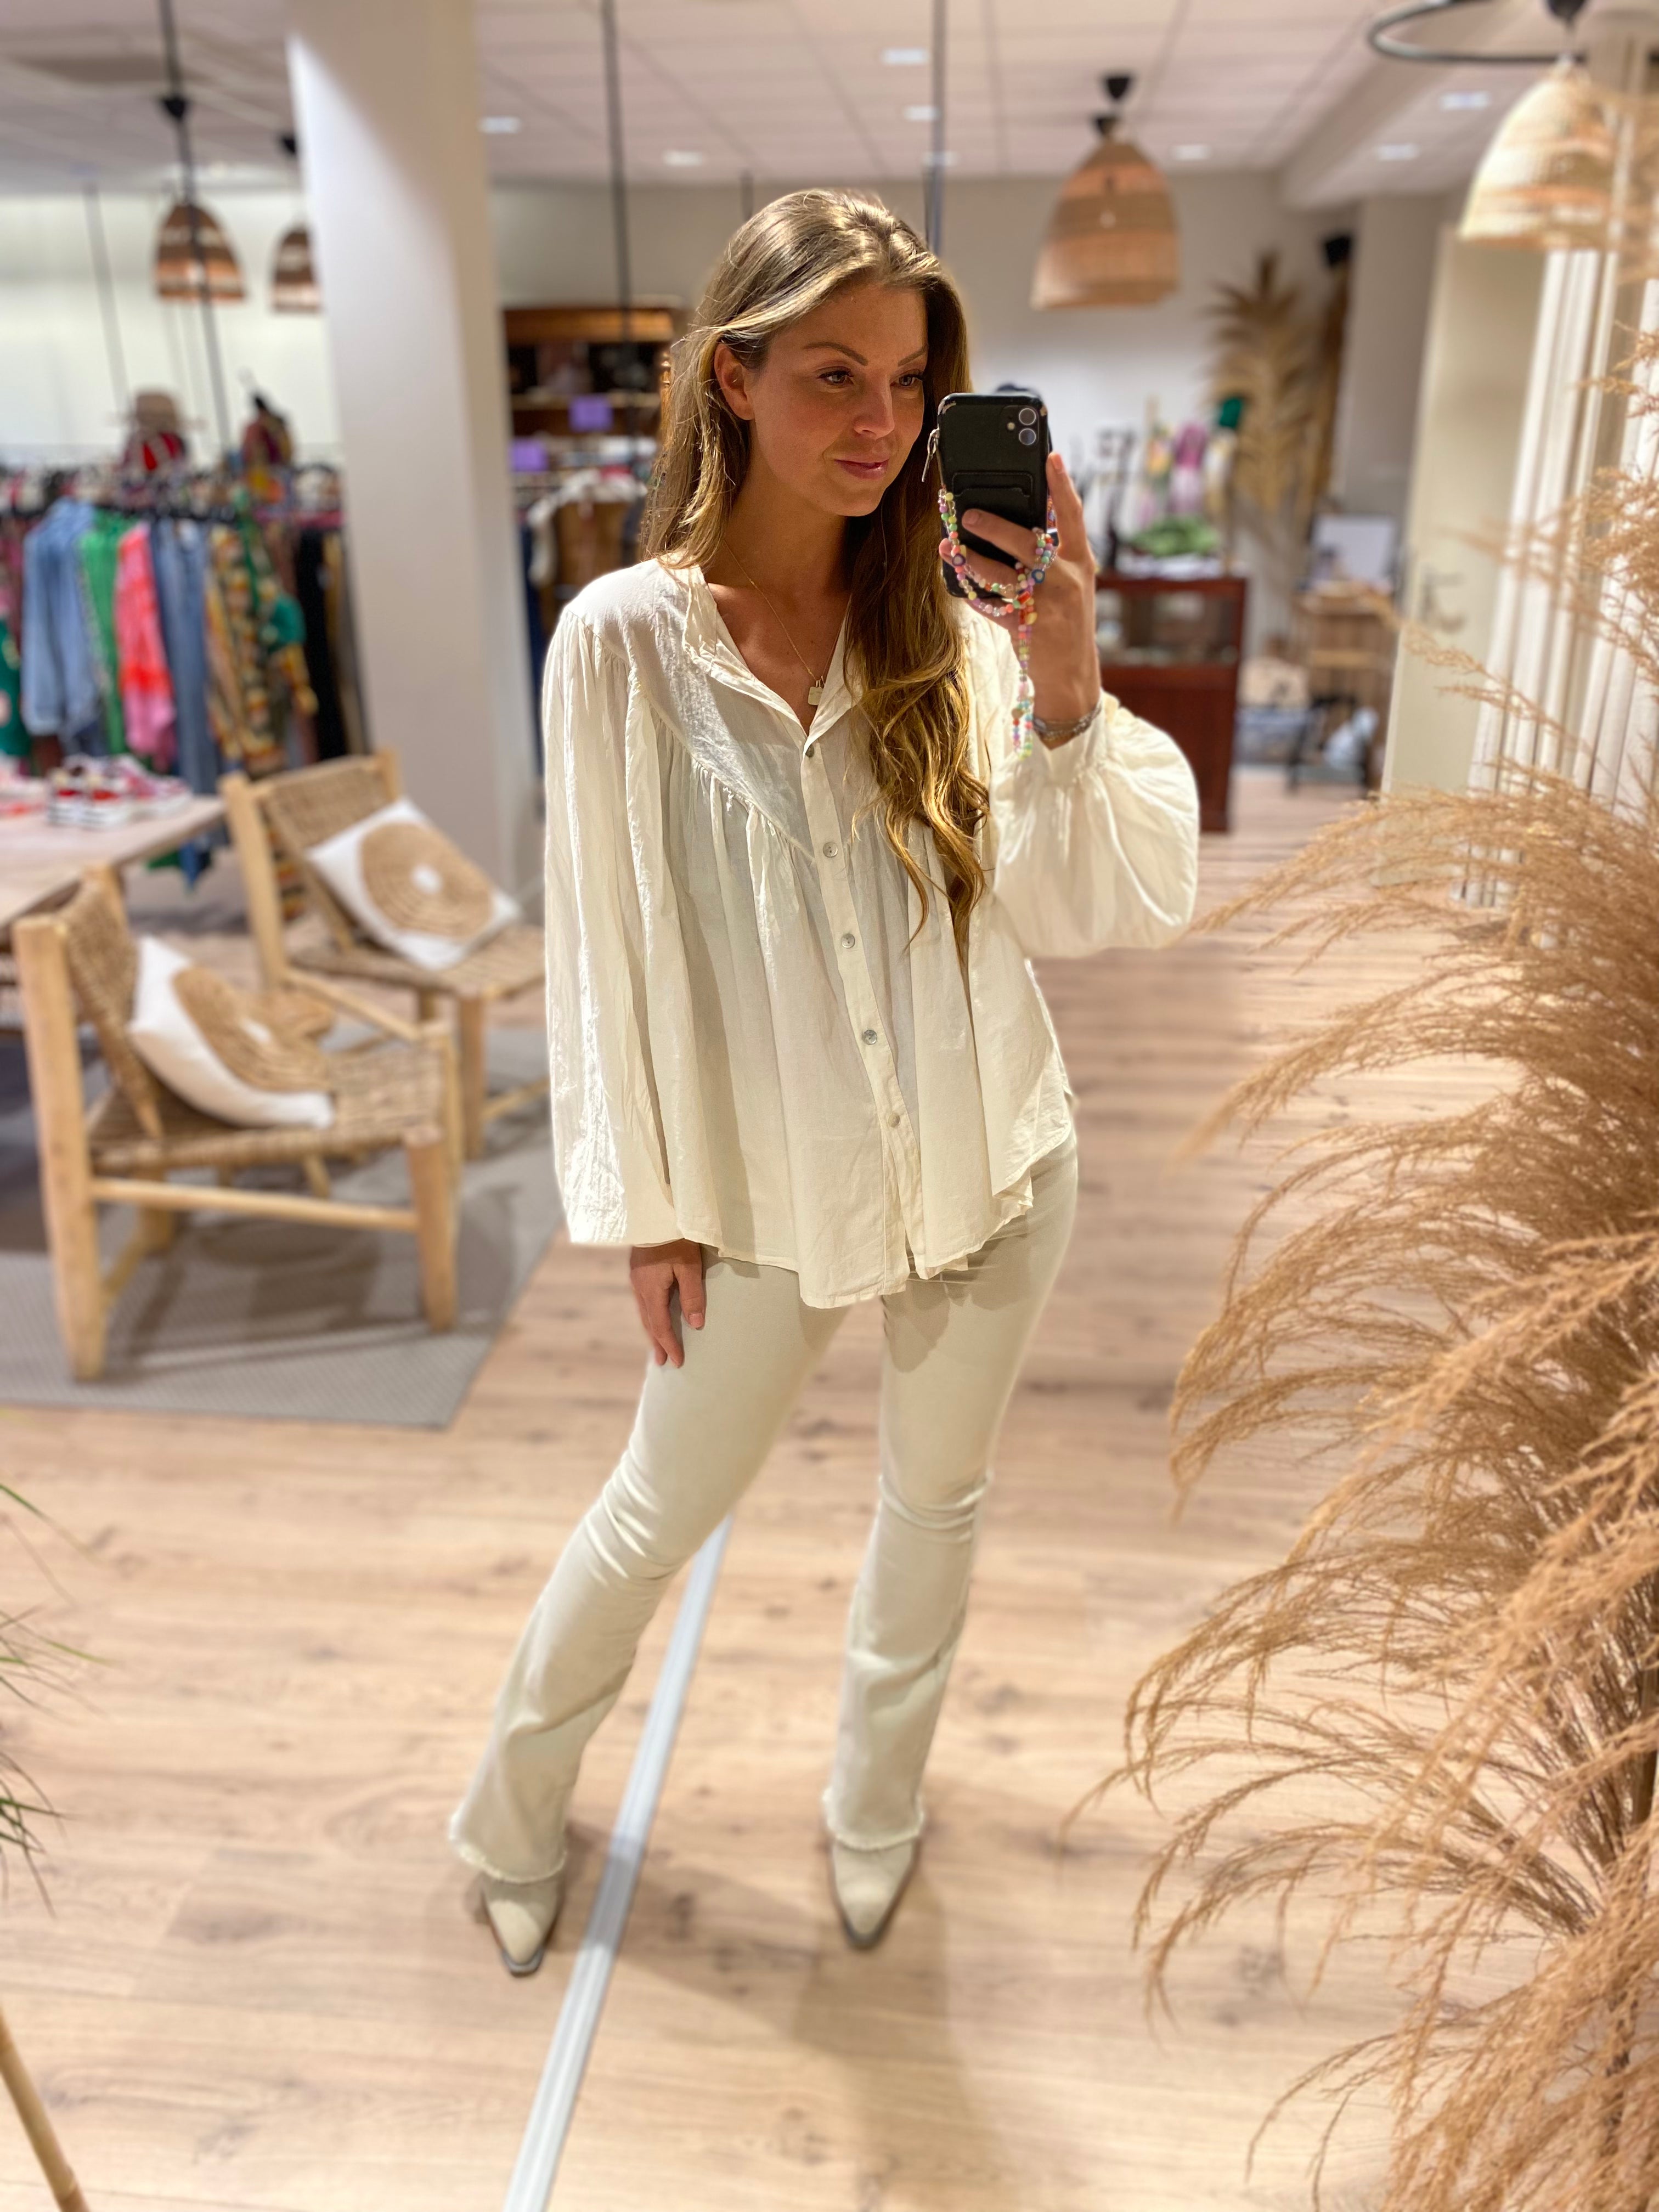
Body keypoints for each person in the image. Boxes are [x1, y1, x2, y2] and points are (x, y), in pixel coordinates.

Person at [450, 189, 1199, 1976]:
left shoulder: (951, 620)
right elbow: (607, 952)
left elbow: (1091, 910)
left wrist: (1068, 675)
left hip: (992, 1159)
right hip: (762, 1185)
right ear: (734, 375)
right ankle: (507, 1815)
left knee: (935, 1512)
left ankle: (876, 1810)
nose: (881, 423)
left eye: (912, 382)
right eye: (834, 375)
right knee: (654, 1513)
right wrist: (647, 1209)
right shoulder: (624, 641)